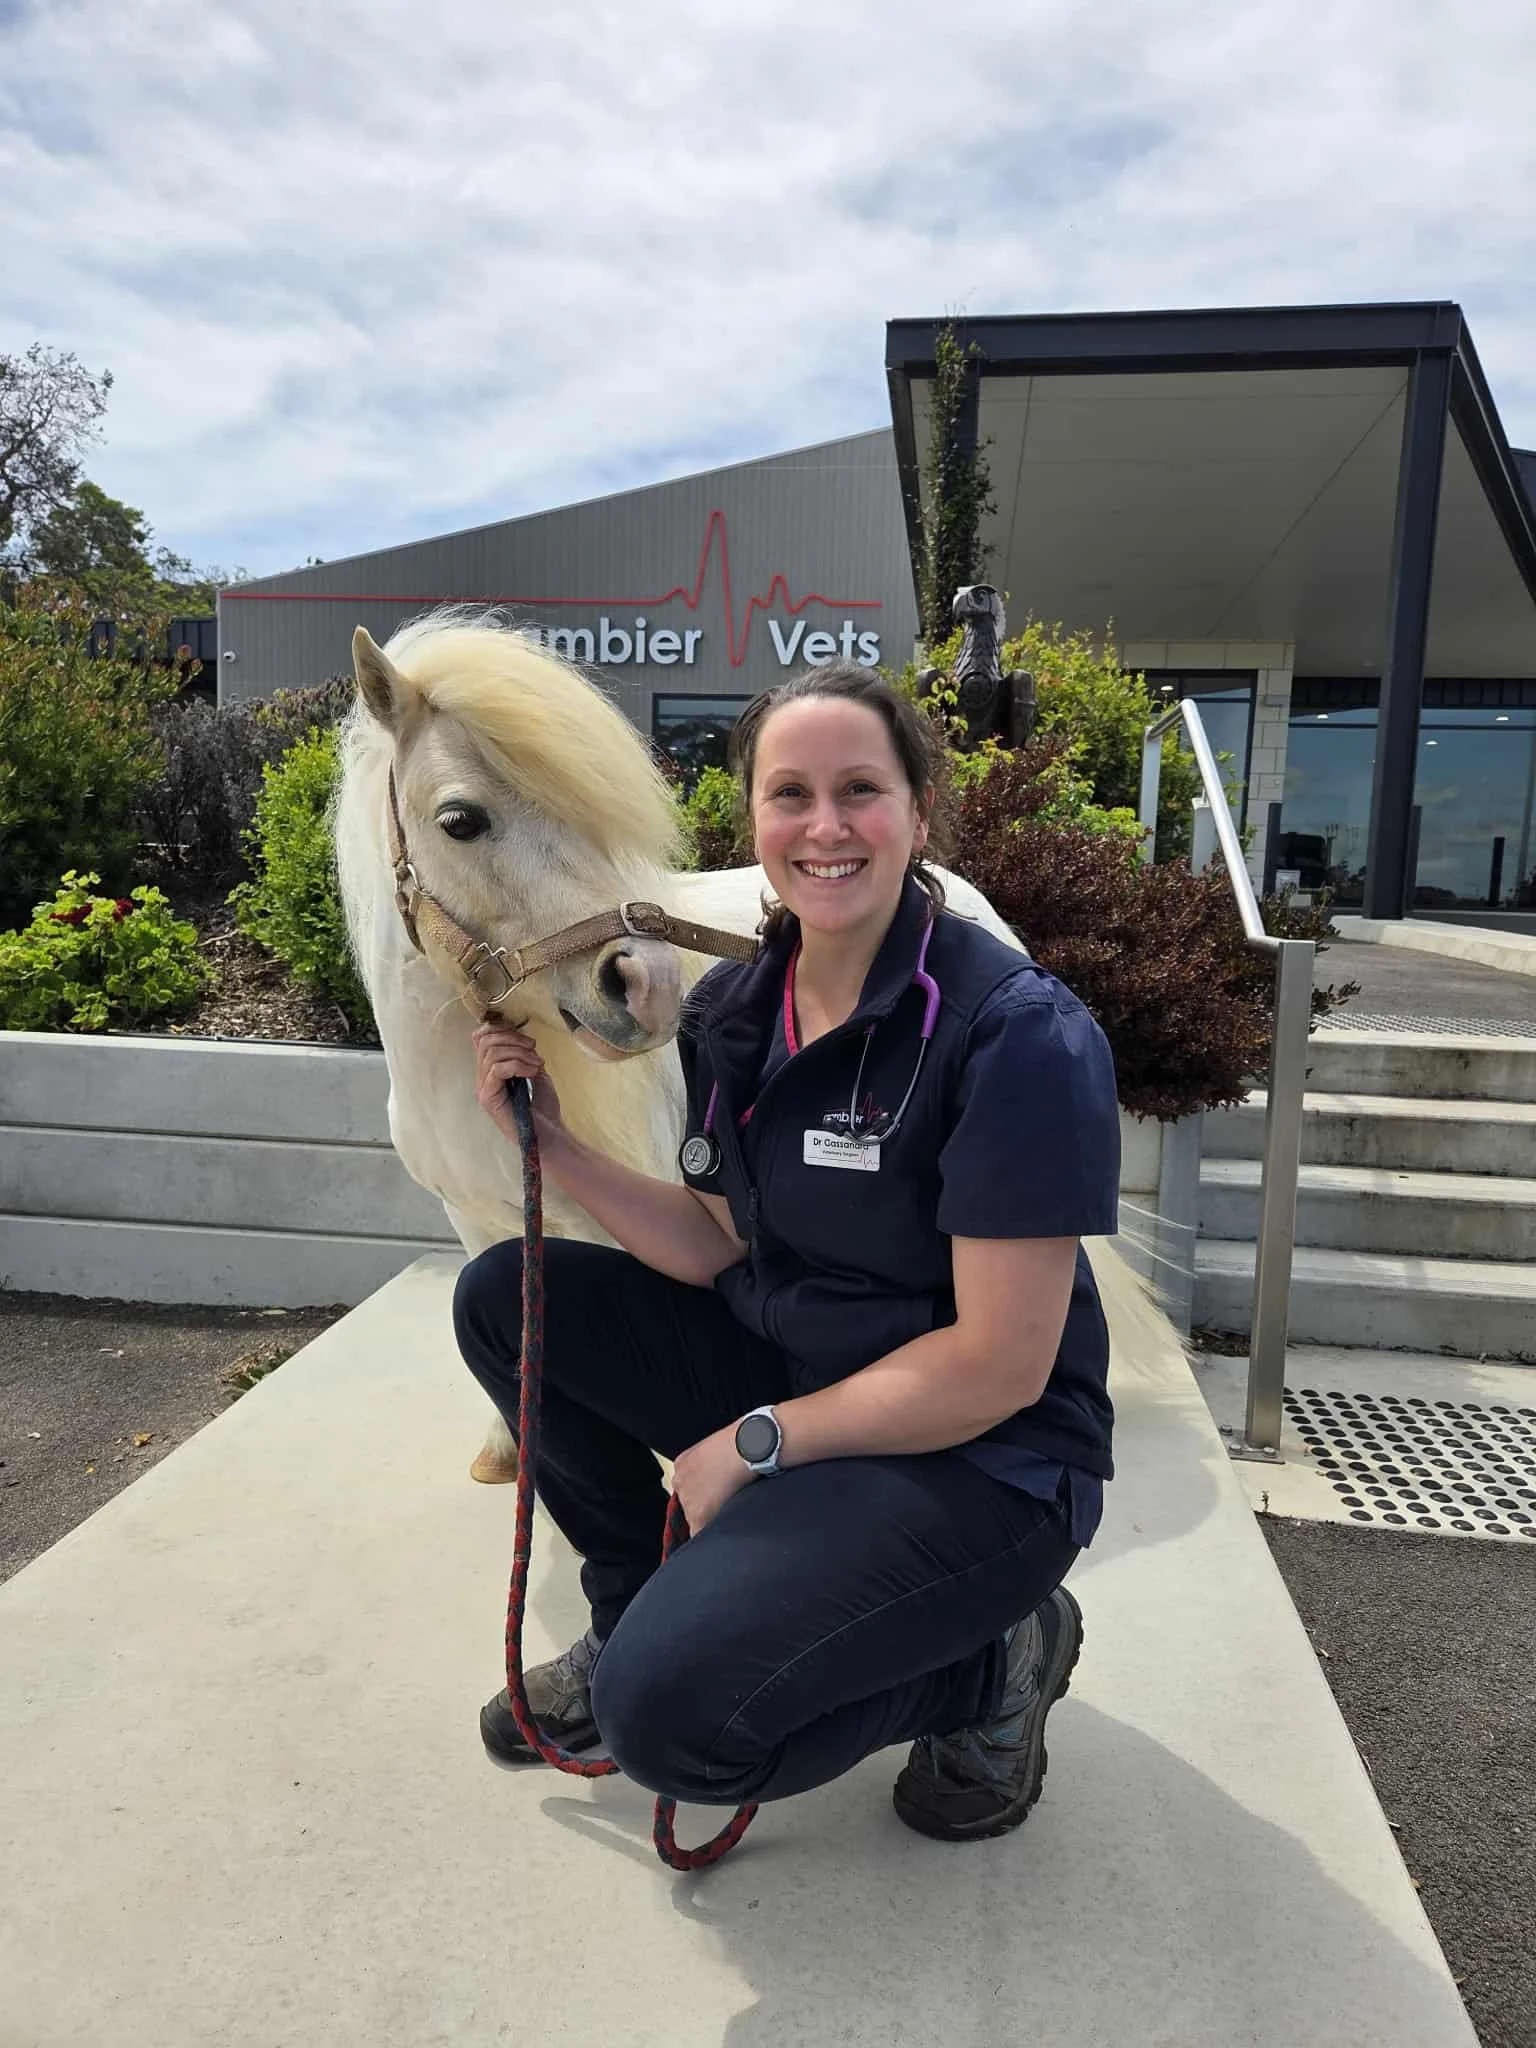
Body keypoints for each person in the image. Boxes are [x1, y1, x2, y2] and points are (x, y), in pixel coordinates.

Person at [453, 661, 1121, 1842]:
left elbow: (1000, 1364)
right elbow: (718, 1242)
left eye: (860, 788)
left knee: (674, 1722)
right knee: (509, 1293)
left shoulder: (1016, 1034)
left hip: (981, 1460)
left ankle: (1000, 1662)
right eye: (790, 793)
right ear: (753, 818)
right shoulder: (738, 1011)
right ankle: (632, 1607)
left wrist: (759, 1444)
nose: (825, 826)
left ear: (919, 810)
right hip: (803, 1375)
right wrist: (558, 1145)